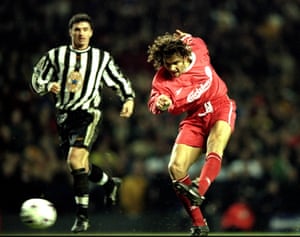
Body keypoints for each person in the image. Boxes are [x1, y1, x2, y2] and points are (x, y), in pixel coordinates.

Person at [31, 13, 135, 233]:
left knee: (75, 160)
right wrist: (46, 86)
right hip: (64, 117)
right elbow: (36, 76)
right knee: (81, 166)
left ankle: (82, 218)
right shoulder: (55, 55)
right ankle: (109, 183)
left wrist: (128, 99)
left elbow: (118, 78)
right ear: (70, 32)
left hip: (89, 114)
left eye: (85, 29)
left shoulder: (101, 57)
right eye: (77, 29)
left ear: (91, 33)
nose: (81, 33)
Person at [147, 29, 237, 236]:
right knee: (175, 168)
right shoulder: (161, 80)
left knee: (216, 144)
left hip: (220, 106)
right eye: (167, 64)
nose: (172, 68)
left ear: (186, 56)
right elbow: (154, 103)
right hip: (195, 118)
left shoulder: (198, 48)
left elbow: (191, 38)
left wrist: (185, 36)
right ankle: (199, 224)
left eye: (176, 62)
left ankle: (200, 189)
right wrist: (160, 104)